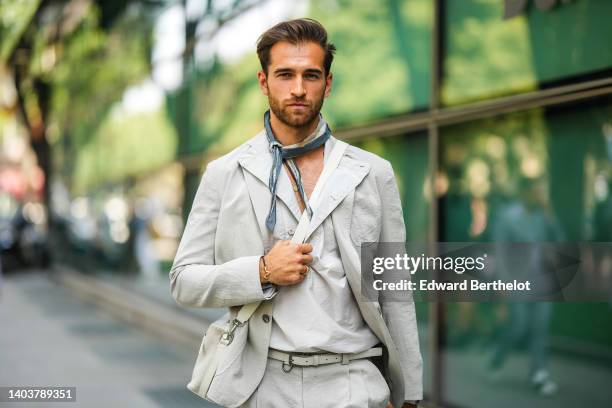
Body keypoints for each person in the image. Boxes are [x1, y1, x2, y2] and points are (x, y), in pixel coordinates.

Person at [170, 18, 422, 408]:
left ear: (329, 83)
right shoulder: (225, 172)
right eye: (285, 75)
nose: (299, 88)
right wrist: (261, 272)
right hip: (264, 383)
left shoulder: (373, 173)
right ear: (263, 81)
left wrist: (409, 394)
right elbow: (184, 281)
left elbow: (394, 290)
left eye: (312, 75)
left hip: (354, 382)